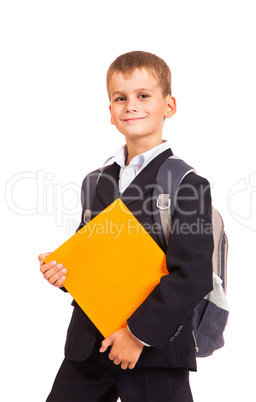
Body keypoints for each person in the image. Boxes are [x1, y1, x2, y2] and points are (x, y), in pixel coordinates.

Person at [39, 50, 214, 402]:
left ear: (169, 105)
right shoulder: (97, 181)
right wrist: (63, 272)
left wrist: (136, 335)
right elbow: (95, 256)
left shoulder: (188, 184)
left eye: (143, 95)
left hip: (154, 350)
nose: (130, 105)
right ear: (111, 112)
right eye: (121, 98)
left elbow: (193, 276)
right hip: (88, 346)